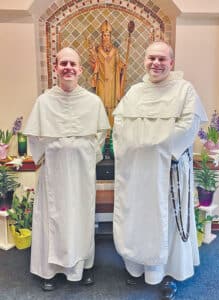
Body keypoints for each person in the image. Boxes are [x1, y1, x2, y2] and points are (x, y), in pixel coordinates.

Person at [112, 41, 208, 300]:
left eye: (162, 59)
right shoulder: (134, 92)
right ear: (144, 60)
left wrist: (157, 147)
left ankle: (166, 273)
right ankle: (139, 266)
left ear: (171, 63)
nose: (156, 63)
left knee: (166, 222)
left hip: (169, 170)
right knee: (140, 218)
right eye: (151, 58)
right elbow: (120, 123)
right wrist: (140, 146)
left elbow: (189, 125)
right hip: (138, 171)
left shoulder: (185, 91)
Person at [24, 47, 110, 291]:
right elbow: (35, 139)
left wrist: (85, 155)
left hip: (81, 173)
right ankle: (49, 271)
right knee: (53, 218)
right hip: (54, 174)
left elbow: (100, 135)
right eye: (63, 63)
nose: (68, 68)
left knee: (81, 217)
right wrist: (50, 153)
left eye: (73, 64)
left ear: (80, 70)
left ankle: (83, 268)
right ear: (55, 69)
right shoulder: (44, 102)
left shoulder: (93, 102)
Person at [89, 20, 125, 126]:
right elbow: (94, 64)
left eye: (108, 35)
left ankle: (112, 127)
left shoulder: (115, 50)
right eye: (104, 35)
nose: (106, 37)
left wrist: (122, 66)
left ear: (110, 37)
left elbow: (118, 63)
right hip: (101, 80)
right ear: (102, 37)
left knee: (112, 104)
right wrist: (92, 56)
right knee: (102, 103)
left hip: (113, 82)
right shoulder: (98, 49)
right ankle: (102, 127)